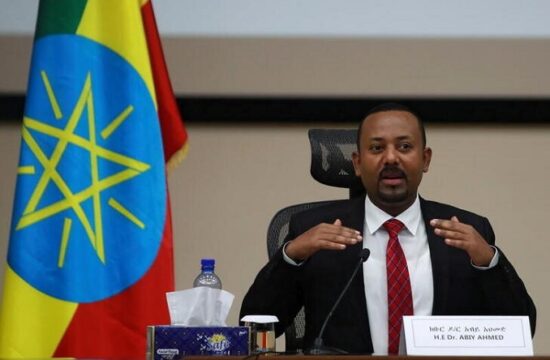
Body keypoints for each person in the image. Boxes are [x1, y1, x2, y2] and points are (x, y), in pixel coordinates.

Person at [240, 103, 536, 355]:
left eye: (405, 147)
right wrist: (292, 256)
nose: (391, 158)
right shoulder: (313, 231)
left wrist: (489, 263)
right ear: (357, 162)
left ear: (425, 159)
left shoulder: (464, 232)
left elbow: (524, 330)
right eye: (376, 148)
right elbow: (252, 327)